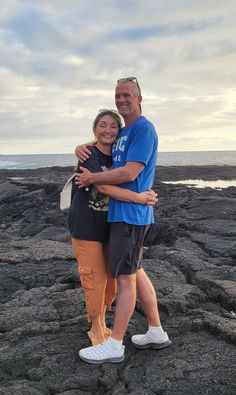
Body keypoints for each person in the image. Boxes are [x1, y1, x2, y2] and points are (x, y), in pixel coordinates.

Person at [75, 77, 171, 364]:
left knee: (125, 280)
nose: (122, 99)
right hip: (123, 214)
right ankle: (156, 331)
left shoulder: (143, 129)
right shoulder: (124, 132)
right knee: (137, 272)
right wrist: (83, 146)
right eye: (118, 95)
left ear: (139, 98)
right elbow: (102, 144)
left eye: (127, 94)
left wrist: (93, 178)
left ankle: (114, 344)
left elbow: (129, 173)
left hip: (130, 217)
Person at [69, 109, 157, 347]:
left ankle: (105, 317)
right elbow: (105, 188)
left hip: (111, 226)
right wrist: (138, 198)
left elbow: (131, 173)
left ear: (119, 132)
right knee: (94, 280)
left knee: (112, 281)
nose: (108, 130)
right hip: (85, 227)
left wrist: (143, 193)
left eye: (113, 126)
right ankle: (96, 325)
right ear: (95, 129)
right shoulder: (88, 154)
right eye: (102, 125)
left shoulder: (119, 158)